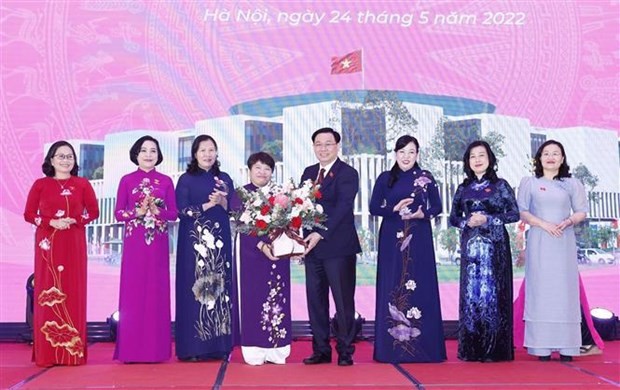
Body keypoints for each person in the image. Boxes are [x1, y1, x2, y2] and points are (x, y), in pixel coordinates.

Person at [369, 135, 446, 363]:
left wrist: (424, 214)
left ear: (417, 154)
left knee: (420, 281)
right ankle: (393, 348)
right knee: (393, 282)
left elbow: (438, 206)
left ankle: (424, 349)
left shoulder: (426, 178)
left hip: (419, 235)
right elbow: (374, 207)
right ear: (395, 154)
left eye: (411, 152)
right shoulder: (386, 178)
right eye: (402, 152)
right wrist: (394, 208)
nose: (406, 156)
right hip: (392, 238)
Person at [24, 141, 99, 367]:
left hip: (73, 241)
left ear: (74, 161)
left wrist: (75, 220)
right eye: (61, 156)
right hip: (48, 243)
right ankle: (48, 354)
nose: (65, 160)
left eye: (69, 156)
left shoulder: (82, 184)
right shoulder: (40, 185)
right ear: (51, 160)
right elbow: (29, 214)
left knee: (73, 291)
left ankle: (71, 353)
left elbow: (94, 212)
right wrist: (51, 221)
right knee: (48, 291)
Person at [449, 140, 519, 362]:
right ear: (468, 162)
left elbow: (514, 214)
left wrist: (488, 219)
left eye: (481, 155)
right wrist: (466, 223)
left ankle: (495, 350)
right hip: (470, 250)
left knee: (494, 295)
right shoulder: (463, 188)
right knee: (471, 296)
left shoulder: (501, 186)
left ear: (490, 159)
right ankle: (471, 350)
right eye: (472, 156)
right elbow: (453, 218)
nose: (477, 160)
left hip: (495, 247)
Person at [517, 140, 587, 362]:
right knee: (541, 288)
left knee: (564, 289)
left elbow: (581, 211)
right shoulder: (530, 183)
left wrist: (567, 221)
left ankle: (568, 346)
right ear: (539, 158)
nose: (550, 157)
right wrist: (543, 224)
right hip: (539, 239)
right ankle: (540, 347)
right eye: (546, 153)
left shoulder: (572, 184)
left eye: (556, 153)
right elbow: (522, 211)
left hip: (563, 240)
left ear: (562, 158)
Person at [113, 135, 178, 363]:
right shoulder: (127, 180)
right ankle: (131, 351)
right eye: (144, 150)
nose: (148, 154)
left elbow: (174, 213)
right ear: (136, 154)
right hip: (134, 247)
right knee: (134, 293)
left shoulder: (166, 181)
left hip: (158, 247)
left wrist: (158, 212)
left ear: (158, 155)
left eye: (153, 150)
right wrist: (137, 213)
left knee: (156, 293)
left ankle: (156, 351)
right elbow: (118, 212)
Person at [300, 127, 361, 367]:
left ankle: (345, 351)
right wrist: (300, 240)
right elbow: (301, 208)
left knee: (343, 302)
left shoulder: (348, 173)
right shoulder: (308, 173)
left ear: (337, 146)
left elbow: (343, 208)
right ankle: (321, 350)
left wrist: (319, 234)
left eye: (328, 144)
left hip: (339, 248)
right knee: (315, 301)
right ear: (313, 146)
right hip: (312, 249)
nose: (323, 148)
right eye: (318, 144)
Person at [175, 134, 235, 361]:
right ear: (195, 154)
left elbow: (235, 211)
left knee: (219, 291)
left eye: (211, 150)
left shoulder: (225, 179)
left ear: (217, 152)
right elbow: (181, 210)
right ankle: (193, 348)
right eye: (203, 150)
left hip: (219, 244)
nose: (208, 154)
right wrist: (208, 204)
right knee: (195, 290)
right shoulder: (186, 179)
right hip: (195, 245)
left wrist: (223, 202)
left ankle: (219, 347)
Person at [231, 152, 292, 365]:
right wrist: (260, 244)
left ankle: (277, 349)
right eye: (258, 167)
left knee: (277, 296)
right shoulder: (240, 194)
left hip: (276, 253)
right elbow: (240, 225)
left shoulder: (280, 194)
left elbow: (289, 223)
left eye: (267, 168)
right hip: (250, 251)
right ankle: (253, 349)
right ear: (249, 170)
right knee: (252, 297)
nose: (262, 172)